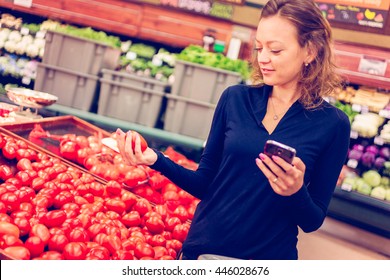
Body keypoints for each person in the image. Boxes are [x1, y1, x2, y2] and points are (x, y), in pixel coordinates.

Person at [116, 0, 351, 260]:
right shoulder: (235, 99)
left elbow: (312, 220)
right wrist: (155, 159)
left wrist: (295, 192)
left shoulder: (333, 124)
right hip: (206, 252)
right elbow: (205, 183)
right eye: (259, 47)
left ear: (311, 51)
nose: (263, 58)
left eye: (275, 50)